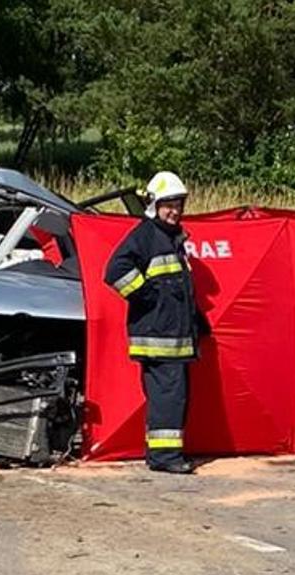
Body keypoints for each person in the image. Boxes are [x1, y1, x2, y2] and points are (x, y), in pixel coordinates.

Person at [104, 171, 201, 474]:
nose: (175, 210)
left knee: (172, 397)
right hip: (160, 338)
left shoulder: (171, 238)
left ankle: (162, 455)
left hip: (172, 337)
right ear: (154, 206)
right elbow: (114, 271)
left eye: (178, 204)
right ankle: (165, 458)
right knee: (169, 398)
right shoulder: (146, 236)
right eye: (168, 205)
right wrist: (148, 297)